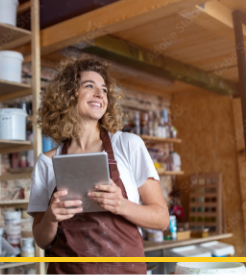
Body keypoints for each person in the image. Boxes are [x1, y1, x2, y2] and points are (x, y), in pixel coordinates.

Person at [28, 56, 170, 275]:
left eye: (104, 90)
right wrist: (50, 217)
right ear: (68, 95)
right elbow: (41, 239)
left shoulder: (127, 145)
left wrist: (121, 205)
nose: (99, 94)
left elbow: (162, 219)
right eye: (89, 86)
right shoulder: (47, 162)